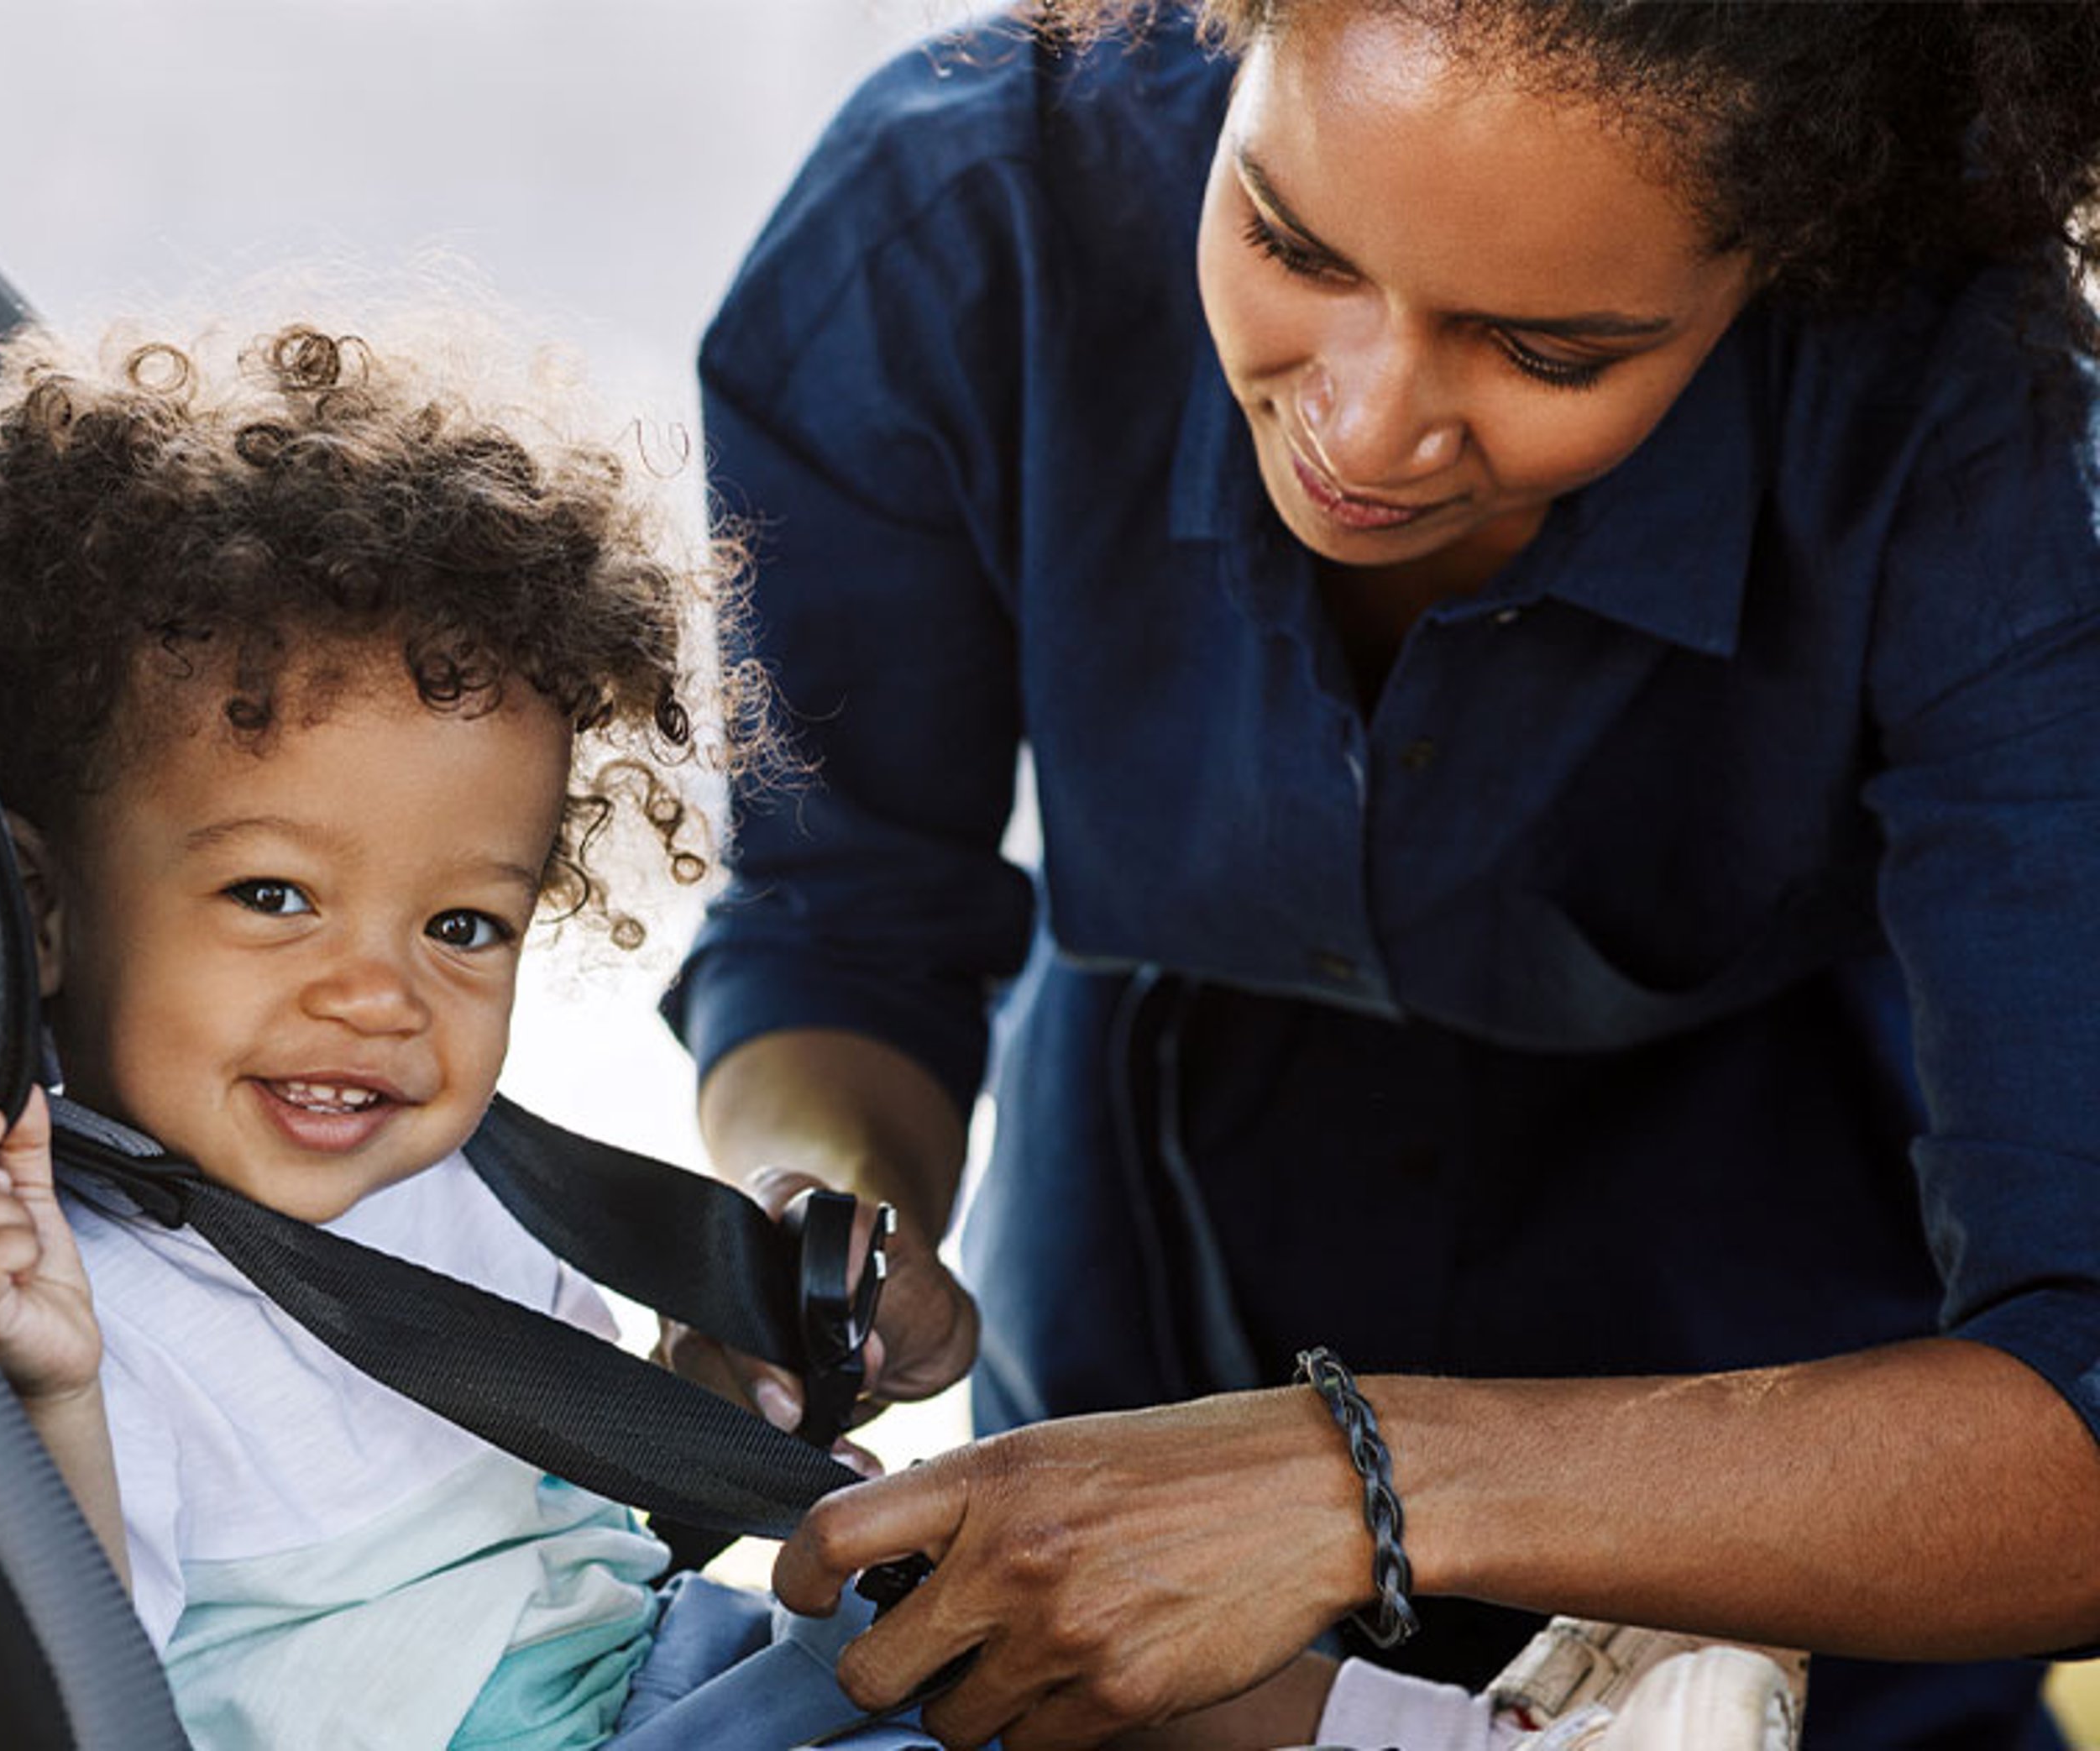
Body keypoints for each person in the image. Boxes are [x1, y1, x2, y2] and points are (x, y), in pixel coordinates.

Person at [661, 3, 2100, 1749]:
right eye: (1287, 241)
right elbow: (844, 916)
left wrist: (1355, 1474)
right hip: (1142, 1243)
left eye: (1548, 351)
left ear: (1786, 256)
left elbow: (2079, 1400)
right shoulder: (955, 218)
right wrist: (818, 1218)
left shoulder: (1977, 405)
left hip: (1784, 1340)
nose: (1365, 426)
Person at [0, 315, 946, 1751]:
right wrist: (52, 1395)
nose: (379, 996)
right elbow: (69, 1696)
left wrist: (717, 1389)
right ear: (40, 903)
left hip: (677, 1674)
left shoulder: (466, 1180)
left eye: (462, 927)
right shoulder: (79, 1307)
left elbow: (571, 1524)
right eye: (274, 896)